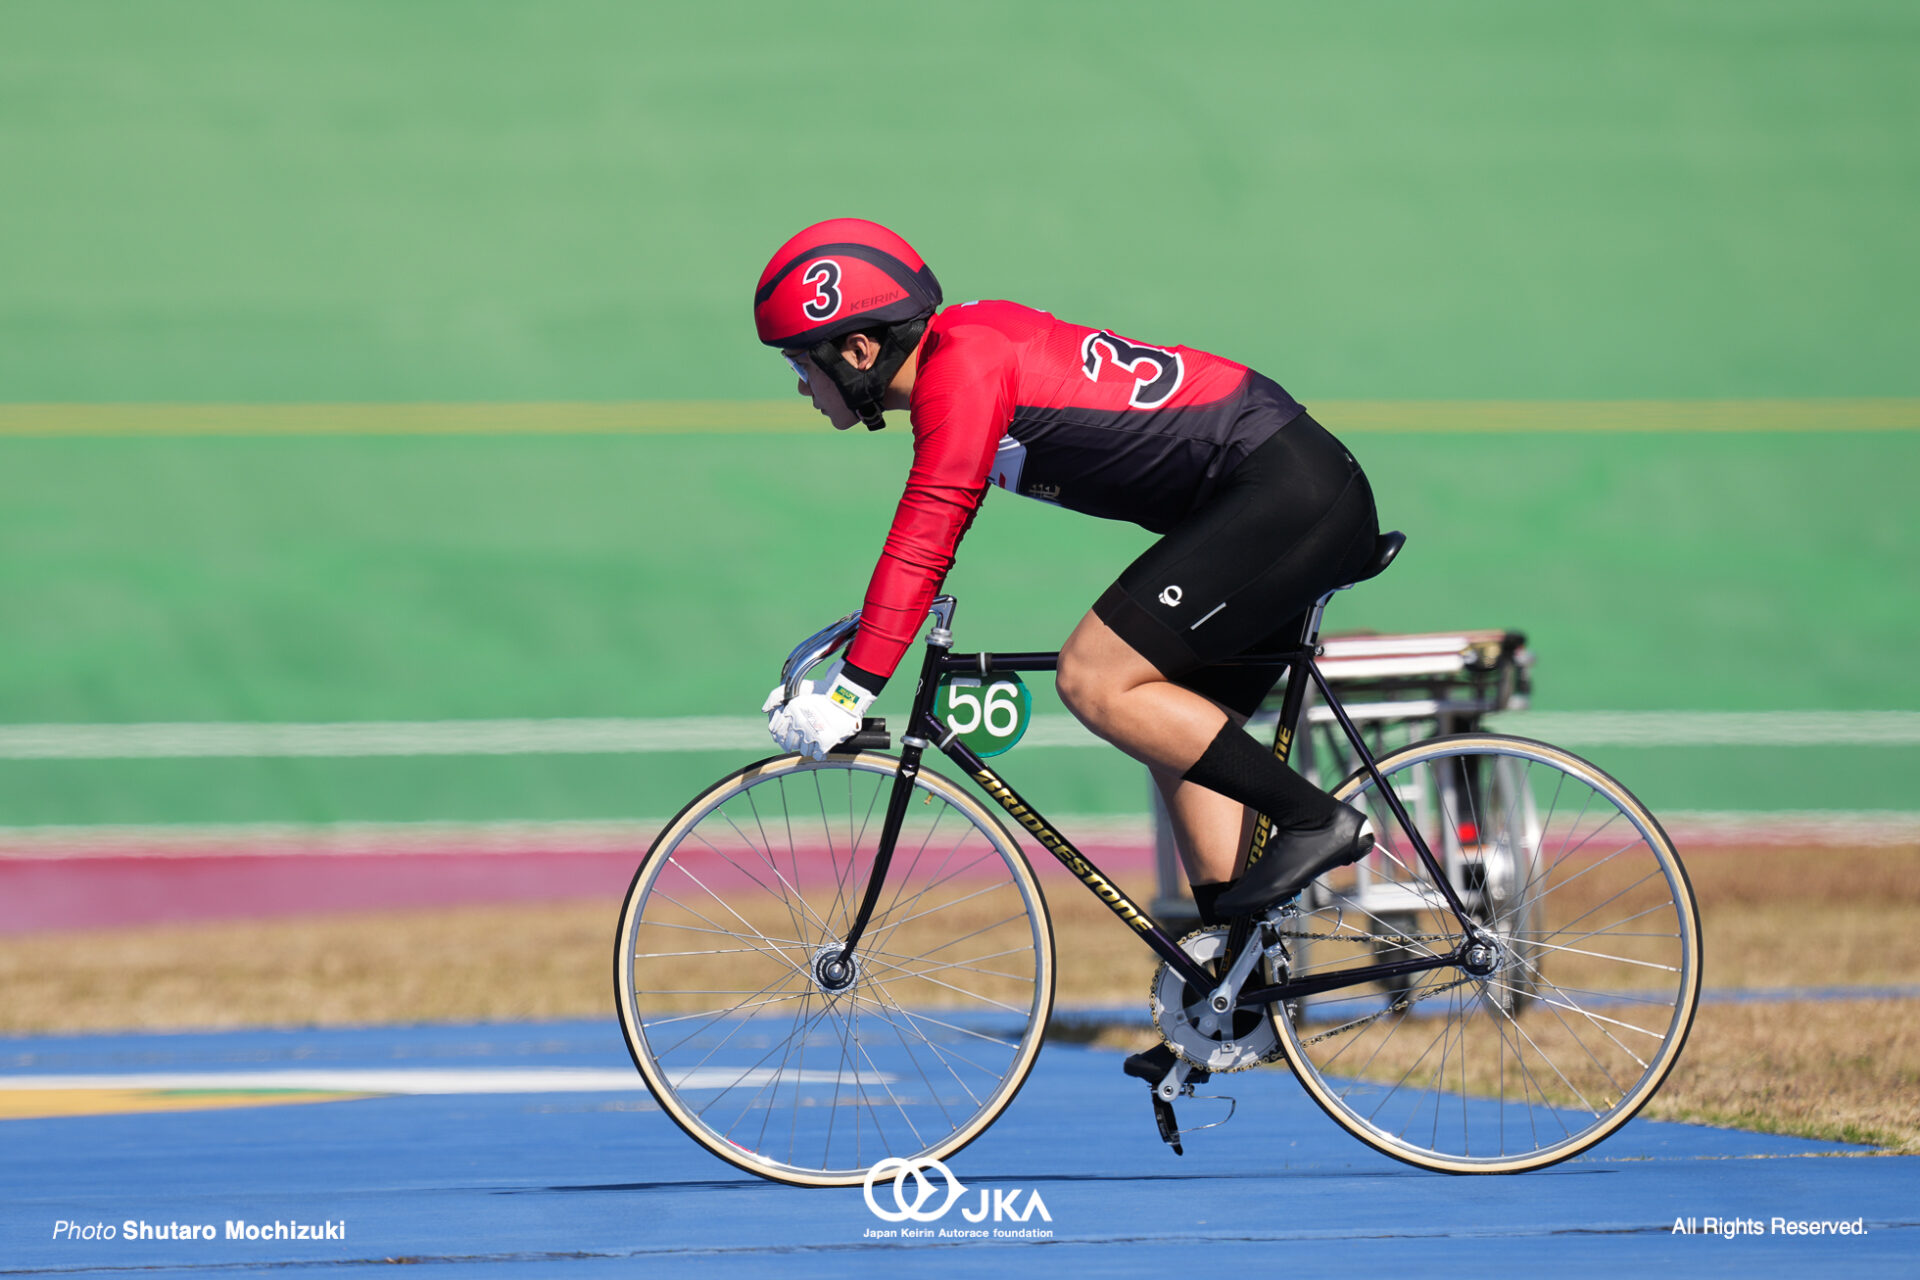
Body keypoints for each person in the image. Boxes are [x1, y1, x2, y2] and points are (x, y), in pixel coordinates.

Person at [754, 218, 1382, 1077]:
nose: (799, 383)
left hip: (1285, 489)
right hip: (1273, 489)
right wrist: (859, 645)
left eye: (802, 361)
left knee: (1095, 677)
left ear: (857, 350)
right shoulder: (963, 350)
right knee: (1170, 728)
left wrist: (857, 688)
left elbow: (926, 532)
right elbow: (921, 545)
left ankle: (1317, 820)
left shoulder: (961, 371)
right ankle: (1228, 991)